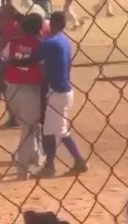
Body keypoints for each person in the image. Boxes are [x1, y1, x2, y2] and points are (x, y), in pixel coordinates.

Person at [11, 11, 87, 177]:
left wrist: (13, 62)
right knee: (54, 130)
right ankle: (53, 164)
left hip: (57, 92)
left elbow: (32, 60)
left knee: (54, 131)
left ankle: (66, 163)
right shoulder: (64, 40)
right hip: (64, 90)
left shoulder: (50, 43)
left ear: (51, 24)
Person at [2, 14, 45, 179]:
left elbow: (3, 58)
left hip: (11, 89)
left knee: (29, 126)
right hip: (31, 90)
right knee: (28, 129)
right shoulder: (41, 45)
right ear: (40, 28)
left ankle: (34, 156)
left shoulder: (13, 43)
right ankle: (22, 168)